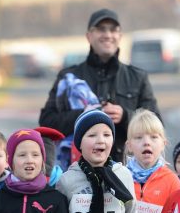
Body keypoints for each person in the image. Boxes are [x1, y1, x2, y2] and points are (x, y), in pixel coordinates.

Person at [40, 8, 160, 163]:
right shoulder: (68, 78)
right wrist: (85, 114)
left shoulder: (138, 77)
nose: (108, 35)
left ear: (120, 36)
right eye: (101, 29)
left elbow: (156, 124)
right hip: (78, 170)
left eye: (113, 30)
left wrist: (125, 116)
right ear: (89, 36)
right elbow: (47, 122)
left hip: (126, 169)